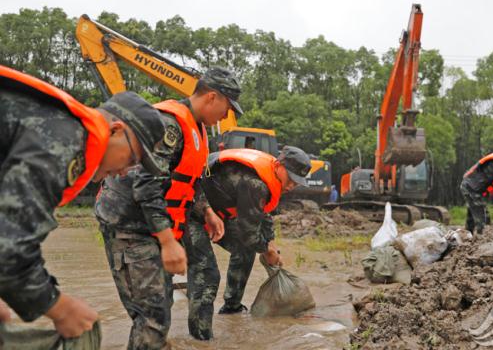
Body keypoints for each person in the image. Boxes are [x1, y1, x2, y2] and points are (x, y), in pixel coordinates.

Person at [0, 65, 166, 339]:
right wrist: (60, 308)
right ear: (115, 130)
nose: (126, 171)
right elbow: (9, 248)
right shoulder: (64, 140)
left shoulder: (56, 125)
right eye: (133, 159)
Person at [95, 66, 242, 350]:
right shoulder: (170, 124)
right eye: (227, 107)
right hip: (130, 225)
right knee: (152, 317)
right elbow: (145, 184)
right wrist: (167, 241)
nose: (227, 115)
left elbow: (188, 178)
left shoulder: (198, 129)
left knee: (157, 313)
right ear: (212, 97)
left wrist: (208, 212)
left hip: (153, 226)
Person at [184, 146, 312, 340]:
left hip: (217, 213)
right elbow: (248, 234)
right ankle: (200, 339)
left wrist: (270, 242)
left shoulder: (268, 178)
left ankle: (231, 308)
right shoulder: (256, 183)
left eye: (297, 183)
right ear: (279, 165)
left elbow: (263, 215)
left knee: (245, 250)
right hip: (191, 209)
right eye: (291, 179)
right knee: (207, 274)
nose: (291, 186)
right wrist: (266, 251)